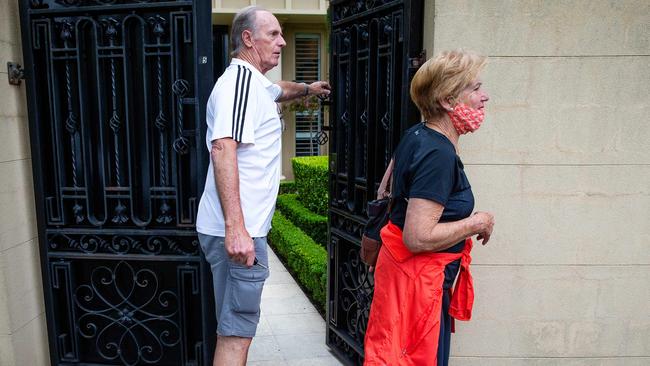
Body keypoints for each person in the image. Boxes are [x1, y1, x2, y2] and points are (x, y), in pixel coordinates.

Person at [196, 6, 331, 366]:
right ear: (247, 39)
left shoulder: (255, 83)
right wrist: (237, 229)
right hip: (240, 233)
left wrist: (307, 88)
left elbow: (278, 90)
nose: (283, 41)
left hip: (243, 230)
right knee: (236, 332)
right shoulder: (237, 85)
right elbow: (223, 147)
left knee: (235, 327)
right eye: (273, 34)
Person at [363, 50, 495, 366]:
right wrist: (478, 222)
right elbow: (417, 237)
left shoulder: (417, 135)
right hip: (419, 285)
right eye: (474, 89)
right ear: (448, 102)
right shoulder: (438, 154)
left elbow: (387, 189)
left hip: (408, 279)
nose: (484, 97)